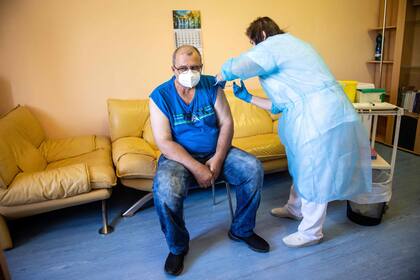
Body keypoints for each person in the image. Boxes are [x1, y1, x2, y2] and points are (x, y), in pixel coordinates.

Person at [216, 17, 372, 248]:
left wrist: (220, 76)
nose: (254, 48)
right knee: (302, 166)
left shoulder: (276, 45)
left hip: (320, 117)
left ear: (262, 35)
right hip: (316, 114)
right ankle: (295, 208)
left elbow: (240, 66)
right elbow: (280, 105)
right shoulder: (293, 50)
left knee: (314, 171)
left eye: (253, 43)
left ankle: (311, 232)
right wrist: (248, 97)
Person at [150, 45, 269, 276]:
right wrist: (197, 168)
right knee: (165, 189)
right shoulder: (160, 96)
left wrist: (217, 159)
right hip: (180, 159)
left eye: (195, 67)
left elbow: (226, 123)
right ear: (173, 69)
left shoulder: (211, 86)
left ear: (202, 67)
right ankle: (178, 247)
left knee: (252, 168)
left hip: (216, 152)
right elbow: (164, 142)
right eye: (183, 68)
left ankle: (242, 230)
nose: (189, 72)